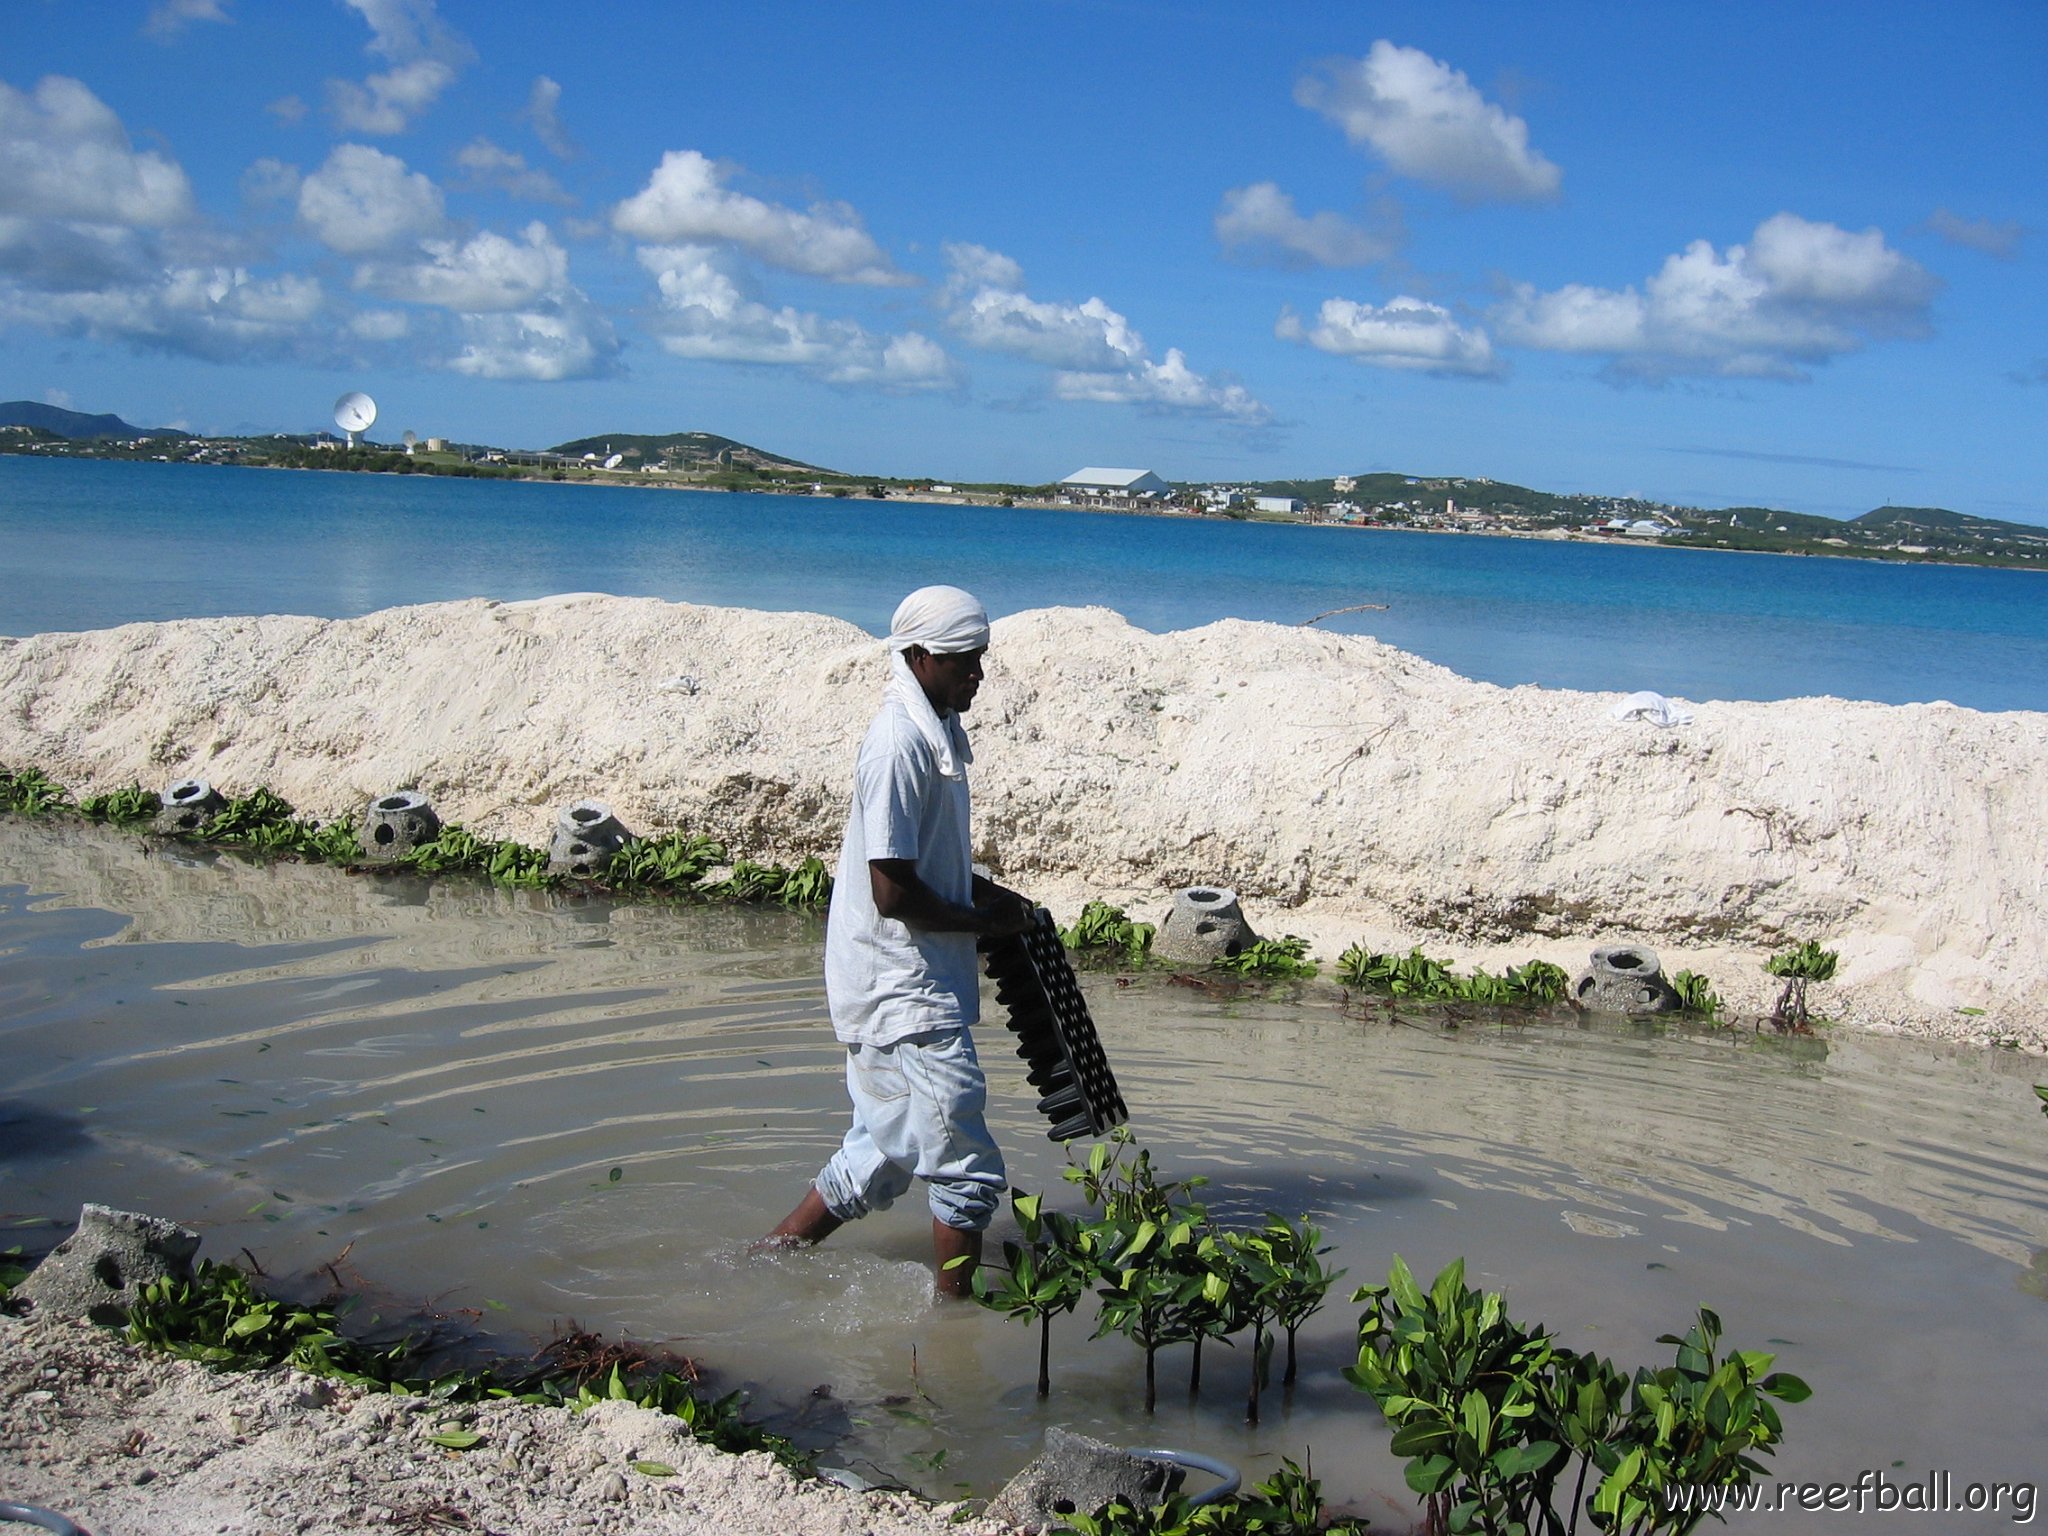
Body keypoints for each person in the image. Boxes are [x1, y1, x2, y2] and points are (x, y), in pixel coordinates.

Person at [762, 585, 1033, 1297]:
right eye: (961, 661)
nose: (976, 673)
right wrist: (984, 926)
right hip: (900, 987)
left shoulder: (936, 728)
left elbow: (928, 866)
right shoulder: (897, 745)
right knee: (963, 1158)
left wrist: (995, 900)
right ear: (917, 656)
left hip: (908, 979)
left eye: (979, 659)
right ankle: (954, 1325)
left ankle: (769, 1260)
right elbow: (893, 892)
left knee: (886, 1150)